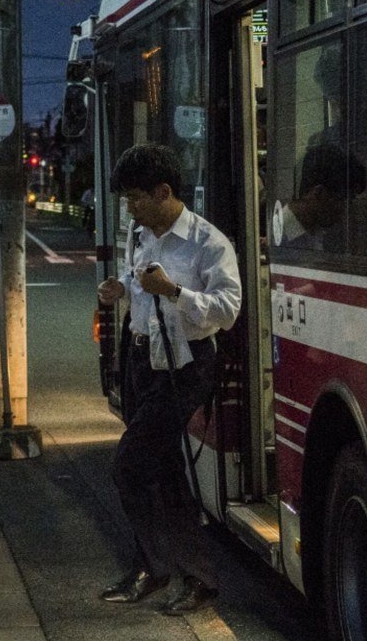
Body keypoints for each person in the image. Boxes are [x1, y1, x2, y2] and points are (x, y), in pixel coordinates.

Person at [95, 143, 242, 616]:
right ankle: (187, 575)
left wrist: (176, 292)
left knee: (129, 465)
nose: (130, 209)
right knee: (165, 468)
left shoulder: (208, 242)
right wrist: (119, 286)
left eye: (136, 198)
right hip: (141, 357)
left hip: (187, 362)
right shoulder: (141, 233)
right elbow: (134, 279)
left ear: (164, 192)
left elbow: (228, 309)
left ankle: (160, 568)